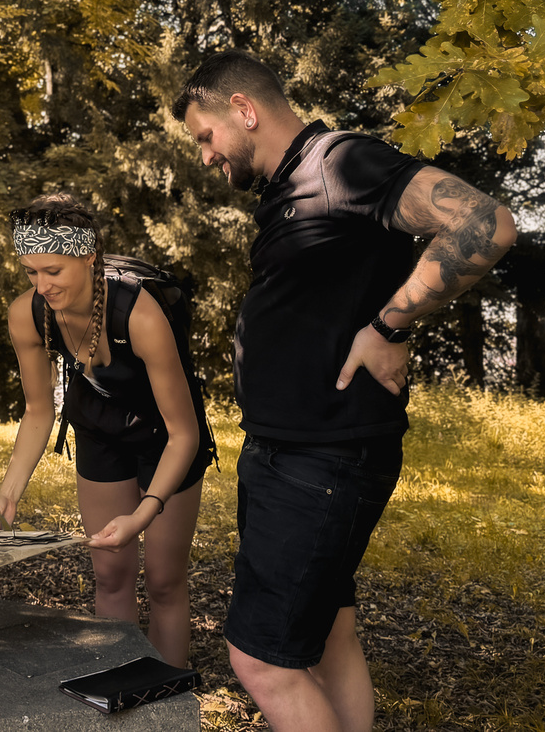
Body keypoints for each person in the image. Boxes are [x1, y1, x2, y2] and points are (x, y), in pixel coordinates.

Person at [170, 50, 517, 732]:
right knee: (328, 639)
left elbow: (485, 222)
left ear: (243, 110)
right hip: (294, 453)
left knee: (261, 660)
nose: (205, 156)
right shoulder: (292, 186)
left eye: (205, 137)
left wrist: (390, 325)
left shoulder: (339, 162)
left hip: (321, 459)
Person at [0, 194, 215, 666]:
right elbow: (37, 411)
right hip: (98, 429)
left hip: (164, 438)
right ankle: (119, 686)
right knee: (109, 575)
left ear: (88, 257)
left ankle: (166, 690)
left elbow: (184, 434)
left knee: (164, 580)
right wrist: (7, 495)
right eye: (30, 272)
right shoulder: (27, 314)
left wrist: (143, 514)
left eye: (53, 270)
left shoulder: (141, 316)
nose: (42, 285)